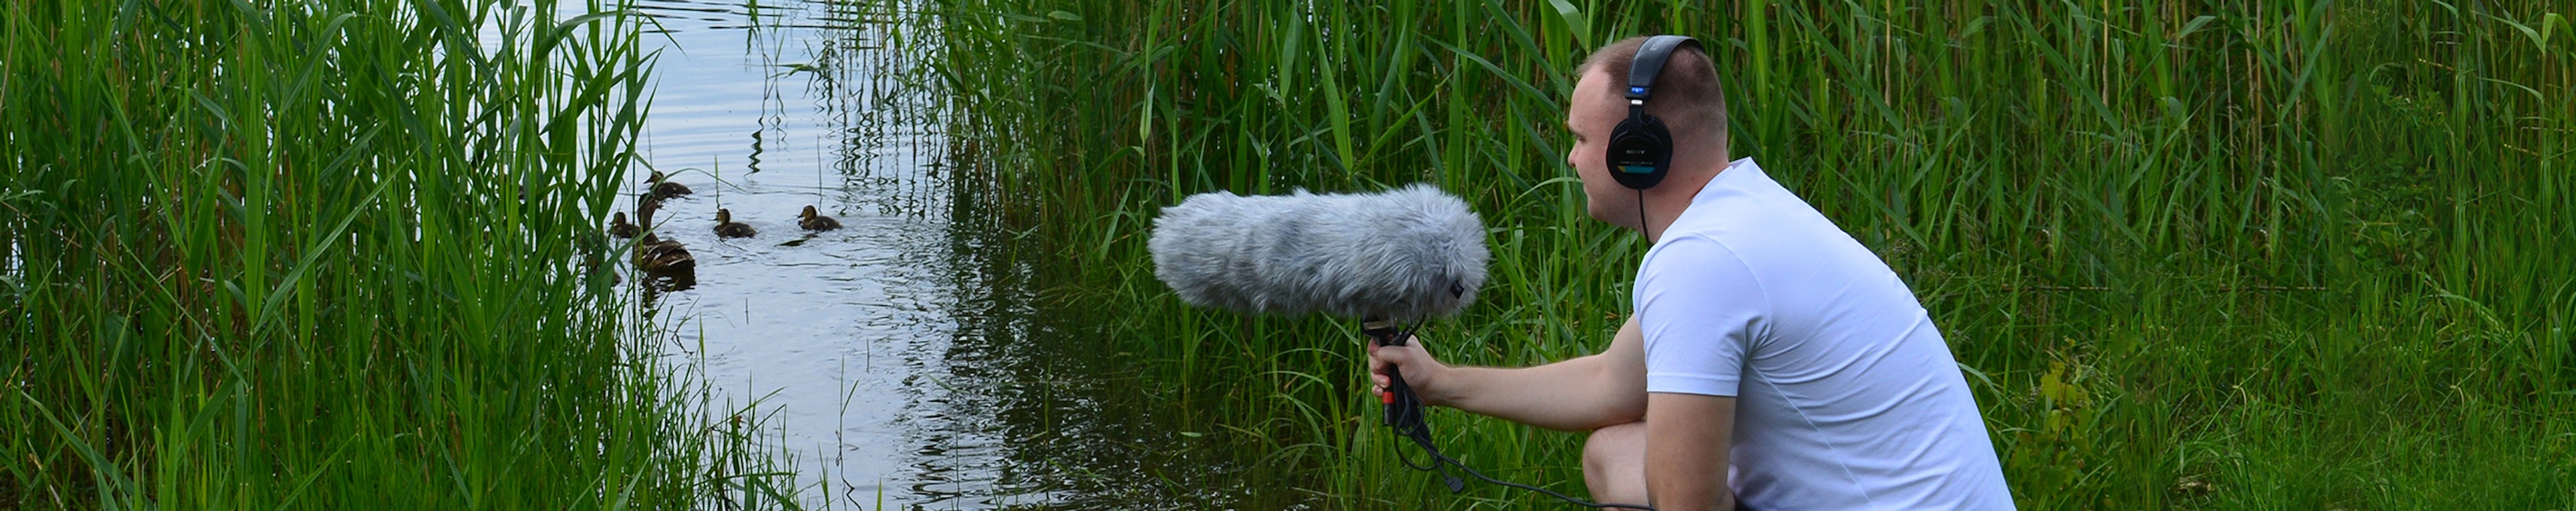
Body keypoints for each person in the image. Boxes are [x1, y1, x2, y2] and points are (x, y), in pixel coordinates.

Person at [1366, 36, 2014, 510]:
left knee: (1645, 474)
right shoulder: (1745, 217)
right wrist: (1441, 383)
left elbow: (1687, 504)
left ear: (1639, 155)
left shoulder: (1702, 262)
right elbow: (1608, 383)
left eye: (1583, 140)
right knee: (1612, 451)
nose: (1570, 157)